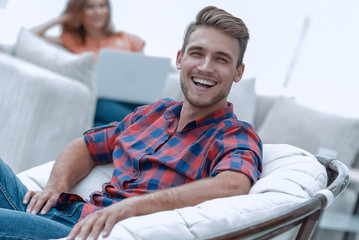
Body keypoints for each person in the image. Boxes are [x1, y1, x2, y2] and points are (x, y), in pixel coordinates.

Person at [0, 6, 262, 240]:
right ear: (180, 59)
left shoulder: (234, 134)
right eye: (197, 53)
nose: (205, 67)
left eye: (221, 59)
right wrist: (55, 187)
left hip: (94, 233)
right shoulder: (154, 113)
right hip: (65, 212)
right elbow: (86, 146)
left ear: (238, 72)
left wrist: (130, 208)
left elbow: (232, 184)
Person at [31, 0, 146, 126]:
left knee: (99, 126)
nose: (98, 12)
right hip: (100, 102)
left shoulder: (128, 39)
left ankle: (145, 129)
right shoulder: (73, 40)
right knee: (100, 114)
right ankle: (149, 129)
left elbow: (143, 73)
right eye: (90, 7)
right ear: (79, 11)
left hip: (135, 101)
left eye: (102, 6)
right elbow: (31, 35)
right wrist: (62, 18)